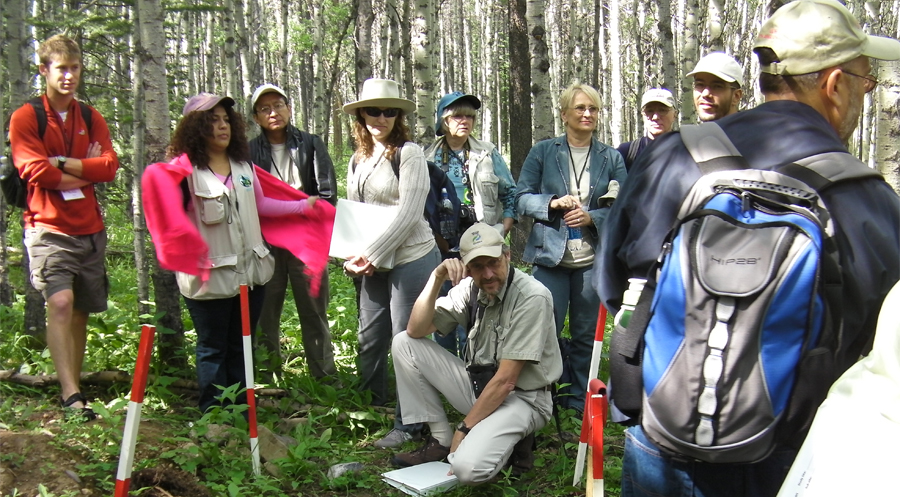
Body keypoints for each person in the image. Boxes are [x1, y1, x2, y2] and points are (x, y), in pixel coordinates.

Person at [595, 1, 900, 495]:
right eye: (865, 82)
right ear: (834, 83)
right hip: (783, 450)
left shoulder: (672, 155)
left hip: (660, 434)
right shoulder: (869, 201)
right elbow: (873, 351)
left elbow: (614, 283)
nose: (864, 96)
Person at [142, 93, 331, 414]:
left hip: (250, 273)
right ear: (195, 127)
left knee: (240, 343)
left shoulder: (243, 166)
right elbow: (167, 215)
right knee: (213, 347)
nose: (222, 126)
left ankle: (243, 409)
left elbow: (260, 205)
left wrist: (302, 205)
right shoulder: (181, 172)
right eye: (212, 120)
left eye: (226, 119)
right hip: (208, 276)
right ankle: (214, 414)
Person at [388, 223, 562, 485]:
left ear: (507, 256)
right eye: (478, 267)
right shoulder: (470, 289)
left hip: (524, 398)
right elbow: (416, 329)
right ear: (467, 268)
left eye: (493, 262)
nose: (488, 274)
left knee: (467, 470)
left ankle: (507, 445)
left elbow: (506, 381)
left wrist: (464, 429)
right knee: (404, 343)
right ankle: (441, 440)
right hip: (481, 388)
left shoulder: (532, 297)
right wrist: (436, 278)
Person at [9, 35, 119, 420]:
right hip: (47, 227)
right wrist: (82, 169)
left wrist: (62, 163)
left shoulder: (90, 117)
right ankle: (70, 394)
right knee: (59, 302)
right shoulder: (27, 117)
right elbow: (34, 171)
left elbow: (108, 166)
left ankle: (73, 384)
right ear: (44, 70)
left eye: (75, 68)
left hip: (89, 228)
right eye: (61, 68)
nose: (69, 76)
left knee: (80, 312)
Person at [341, 78, 441, 447]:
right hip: (373, 261)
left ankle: (409, 424)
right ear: (361, 115)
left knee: (406, 338)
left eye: (389, 111)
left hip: (412, 256)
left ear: (398, 116)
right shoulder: (358, 158)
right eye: (373, 110)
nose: (380, 117)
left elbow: (411, 212)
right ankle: (369, 406)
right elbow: (357, 213)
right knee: (370, 336)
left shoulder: (409, 152)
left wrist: (373, 253)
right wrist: (353, 253)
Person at [515, 82, 627, 412]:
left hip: (592, 260)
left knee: (584, 333)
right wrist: (550, 203)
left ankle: (578, 399)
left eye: (593, 108)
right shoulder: (544, 152)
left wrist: (592, 217)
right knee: (543, 329)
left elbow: (624, 207)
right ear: (564, 114)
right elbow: (520, 198)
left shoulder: (611, 157)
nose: (587, 114)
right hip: (550, 257)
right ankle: (541, 397)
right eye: (580, 108)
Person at [248, 84, 339, 382]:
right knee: (265, 313)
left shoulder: (311, 144)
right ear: (256, 117)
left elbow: (327, 195)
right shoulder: (249, 151)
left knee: (314, 312)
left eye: (278, 105)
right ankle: (265, 378)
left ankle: (324, 378)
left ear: (289, 107)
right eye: (265, 109)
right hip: (267, 243)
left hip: (306, 243)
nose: (273, 113)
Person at [423, 91, 517, 356]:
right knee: (443, 307)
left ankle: (473, 371)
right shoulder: (426, 157)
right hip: (440, 246)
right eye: (457, 116)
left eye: (470, 116)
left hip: (480, 245)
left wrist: (504, 228)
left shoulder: (487, 154)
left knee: (476, 307)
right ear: (443, 121)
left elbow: (510, 193)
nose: (464, 121)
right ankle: (445, 372)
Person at [615, 88, 676, 170]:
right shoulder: (626, 152)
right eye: (649, 111)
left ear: (675, 115)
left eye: (662, 110)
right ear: (642, 115)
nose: (655, 117)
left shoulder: (688, 150)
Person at [687, 52, 744, 122]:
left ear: (736, 96)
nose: (705, 94)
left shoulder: (752, 132)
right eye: (700, 85)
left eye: (717, 86)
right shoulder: (691, 132)